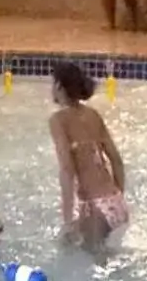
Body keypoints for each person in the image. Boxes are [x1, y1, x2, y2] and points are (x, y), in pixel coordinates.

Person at [48, 61, 128, 250]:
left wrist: (68, 220)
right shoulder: (93, 115)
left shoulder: (58, 120)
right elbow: (116, 161)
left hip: (95, 207)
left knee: (77, 258)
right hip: (117, 203)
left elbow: (67, 170)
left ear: (59, 86)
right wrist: (116, 199)